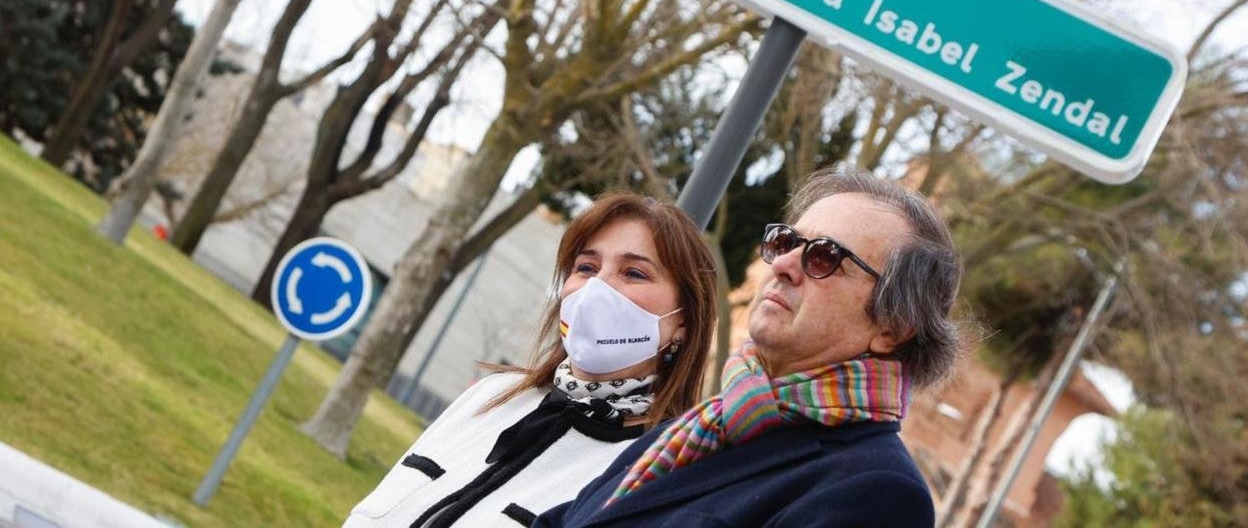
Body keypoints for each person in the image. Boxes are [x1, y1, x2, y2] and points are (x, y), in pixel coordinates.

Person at [536, 166, 962, 528]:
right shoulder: (708, 423)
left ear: (893, 327)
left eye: (824, 257)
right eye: (785, 242)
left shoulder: (878, 493)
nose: (782, 265)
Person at [344, 193, 718, 528]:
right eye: (586, 267)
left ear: (683, 322)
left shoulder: (651, 474)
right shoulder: (492, 396)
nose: (596, 288)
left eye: (633, 273)